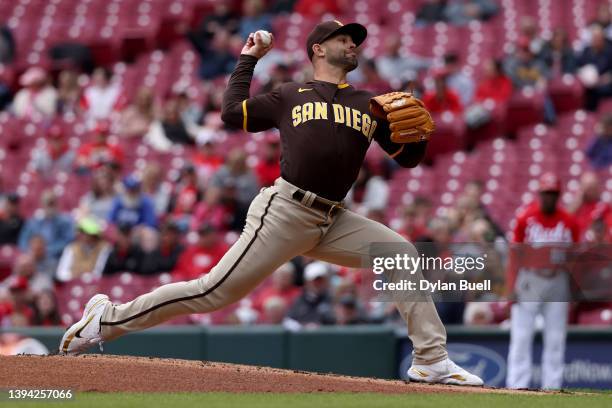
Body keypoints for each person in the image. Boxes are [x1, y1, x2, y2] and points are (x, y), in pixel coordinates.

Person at [59, 20, 483, 387]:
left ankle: (431, 361)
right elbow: (230, 113)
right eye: (343, 38)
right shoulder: (290, 94)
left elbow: (407, 160)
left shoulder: (368, 103)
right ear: (318, 48)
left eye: (356, 39)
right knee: (213, 292)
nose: (353, 44)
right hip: (285, 210)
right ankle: (107, 320)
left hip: (333, 218)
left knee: (401, 255)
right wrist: (248, 59)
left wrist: (418, 135)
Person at [506, 173, 579, 390]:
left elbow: (575, 260)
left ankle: (552, 388)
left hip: (557, 279)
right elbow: (514, 256)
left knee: (555, 339)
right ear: (539, 194)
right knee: (521, 337)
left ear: (559, 195)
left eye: (553, 193)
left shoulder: (568, 222)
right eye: (546, 193)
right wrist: (511, 287)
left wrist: (573, 289)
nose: (549, 197)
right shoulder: (526, 219)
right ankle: (517, 387)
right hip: (529, 279)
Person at [55, 217, 111, 282]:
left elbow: (99, 272)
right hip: (72, 284)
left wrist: (86, 278)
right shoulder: (71, 248)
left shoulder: (104, 248)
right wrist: (74, 277)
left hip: (95, 285)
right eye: (81, 232)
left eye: (86, 233)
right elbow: (61, 273)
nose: (82, 235)